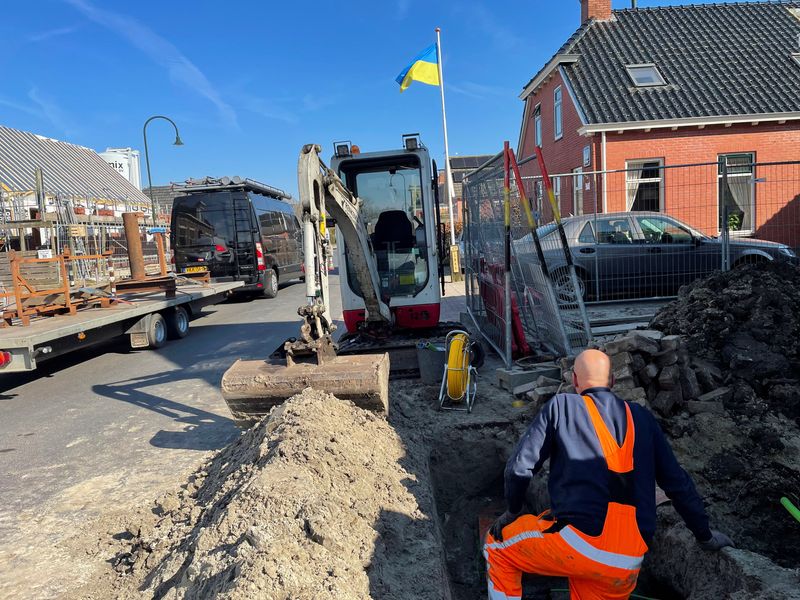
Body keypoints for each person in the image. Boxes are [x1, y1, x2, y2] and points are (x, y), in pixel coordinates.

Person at [484, 349, 733, 600]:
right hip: (626, 561)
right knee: (587, 573)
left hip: (578, 543)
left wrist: (513, 511)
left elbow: (519, 468)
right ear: (612, 381)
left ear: (574, 379)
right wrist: (705, 535)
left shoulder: (562, 406)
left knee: (497, 547)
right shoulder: (643, 419)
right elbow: (677, 483)